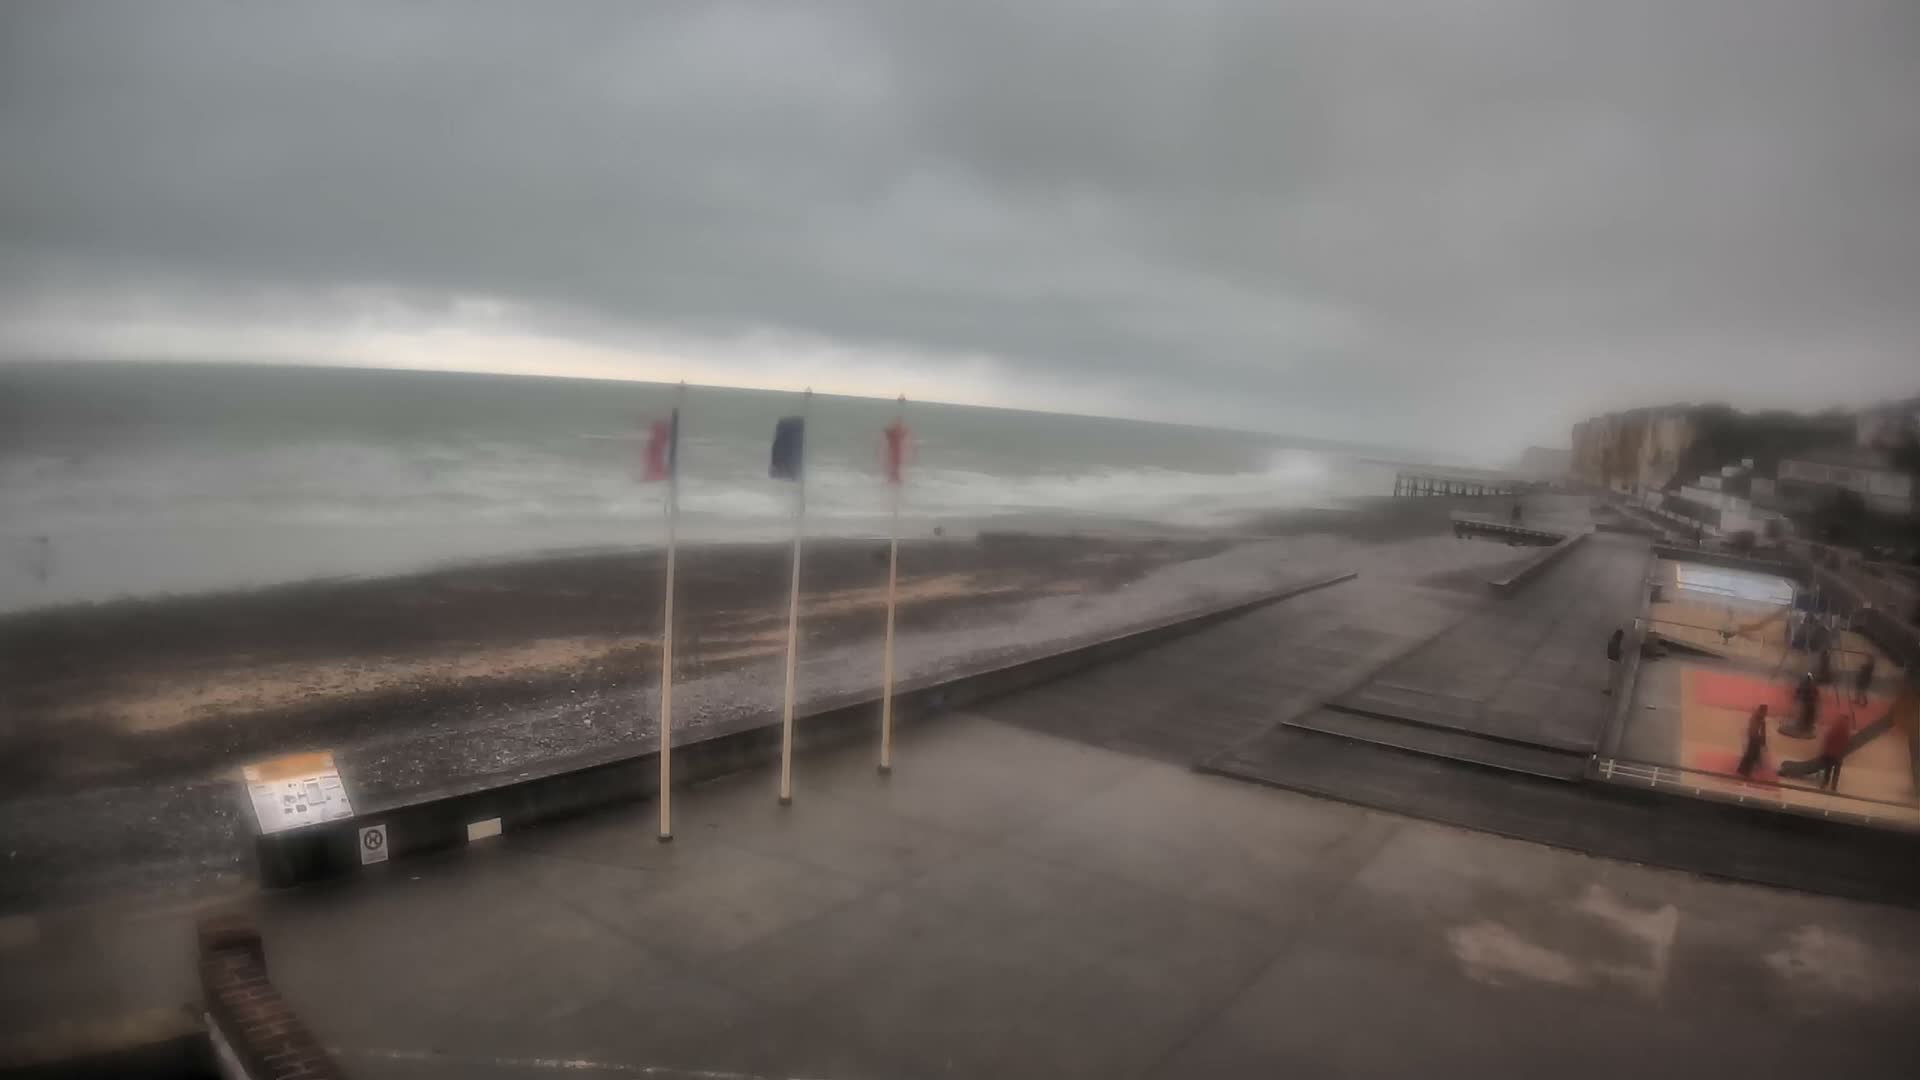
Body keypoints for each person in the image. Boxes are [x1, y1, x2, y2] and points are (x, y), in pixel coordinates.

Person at [1816, 710, 1852, 792]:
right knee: (1836, 771)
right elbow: (1846, 743)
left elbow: (1827, 739)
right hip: (1838, 755)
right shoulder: (1846, 731)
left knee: (1827, 769)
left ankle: (1824, 784)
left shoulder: (1834, 728)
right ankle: (1833, 787)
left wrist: (1823, 751)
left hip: (1829, 754)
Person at [1781, 672, 1819, 738]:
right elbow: (1801, 692)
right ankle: (1803, 725)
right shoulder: (1808, 685)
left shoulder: (1809, 685)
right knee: (1805, 715)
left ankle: (1805, 726)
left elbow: (1801, 692)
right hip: (1807, 703)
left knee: (1807, 715)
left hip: (1808, 704)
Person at [1737, 704, 1768, 779]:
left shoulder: (1759, 718)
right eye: (1765, 712)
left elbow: (1761, 731)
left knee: (1752, 755)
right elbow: (1755, 730)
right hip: (1754, 738)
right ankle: (1744, 771)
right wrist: (1761, 740)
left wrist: (1762, 740)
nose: (1766, 713)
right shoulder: (1757, 718)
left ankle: (1745, 770)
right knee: (1750, 755)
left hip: (1755, 738)